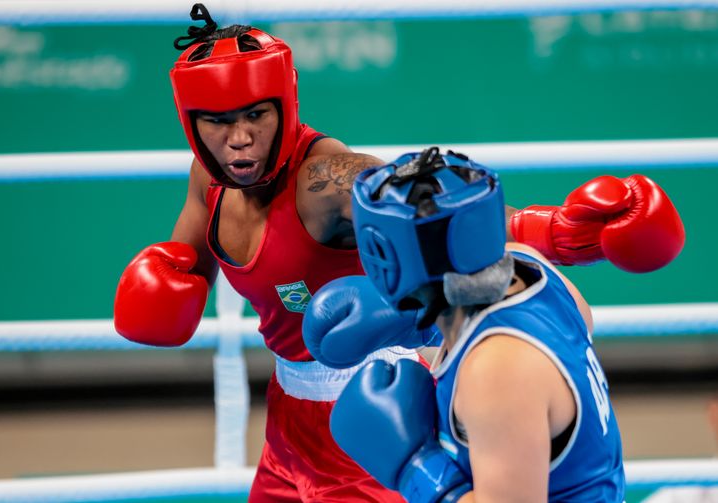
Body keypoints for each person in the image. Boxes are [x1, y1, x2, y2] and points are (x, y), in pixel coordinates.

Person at [113, 3, 683, 500]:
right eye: (218, 122)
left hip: (374, 405)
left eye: (256, 117)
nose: (238, 138)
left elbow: (431, 208)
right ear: (193, 125)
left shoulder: (325, 179)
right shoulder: (207, 181)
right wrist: (164, 281)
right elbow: (186, 261)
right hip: (288, 423)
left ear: (283, 106)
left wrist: (566, 232)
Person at [307, 148, 627, 501]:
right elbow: (577, 331)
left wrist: (417, 468)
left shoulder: (496, 369)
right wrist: (421, 317)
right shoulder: (535, 268)